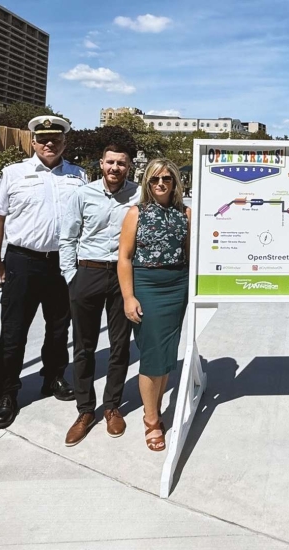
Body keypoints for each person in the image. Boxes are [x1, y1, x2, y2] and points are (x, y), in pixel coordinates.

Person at [0, 116, 88, 429]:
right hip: (22, 261)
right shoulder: (14, 173)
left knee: (59, 327)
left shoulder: (78, 175)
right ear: (32, 142)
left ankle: (53, 377)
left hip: (62, 262)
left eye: (55, 139)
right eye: (42, 139)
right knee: (14, 329)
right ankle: (7, 392)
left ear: (64, 142)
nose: (49, 144)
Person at [59, 144, 141, 446]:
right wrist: (71, 276)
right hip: (88, 273)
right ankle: (84, 411)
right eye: (110, 162)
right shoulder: (83, 194)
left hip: (123, 275)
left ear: (129, 166)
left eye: (121, 163)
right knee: (84, 346)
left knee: (120, 345)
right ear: (101, 163)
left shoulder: (138, 195)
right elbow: (68, 236)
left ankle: (112, 406)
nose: (115, 168)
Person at [118, 159, 190, 452]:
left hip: (177, 285)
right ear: (147, 184)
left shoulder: (185, 213)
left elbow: (190, 253)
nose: (160, 184)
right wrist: (128, 297)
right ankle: (151, 420)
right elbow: (124, 257)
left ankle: (156, 408)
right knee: (151, 354)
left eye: (167, 179)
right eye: (154, 180)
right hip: (147, 286)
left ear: (175, 183)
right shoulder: (136, 213)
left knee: (167, 353)